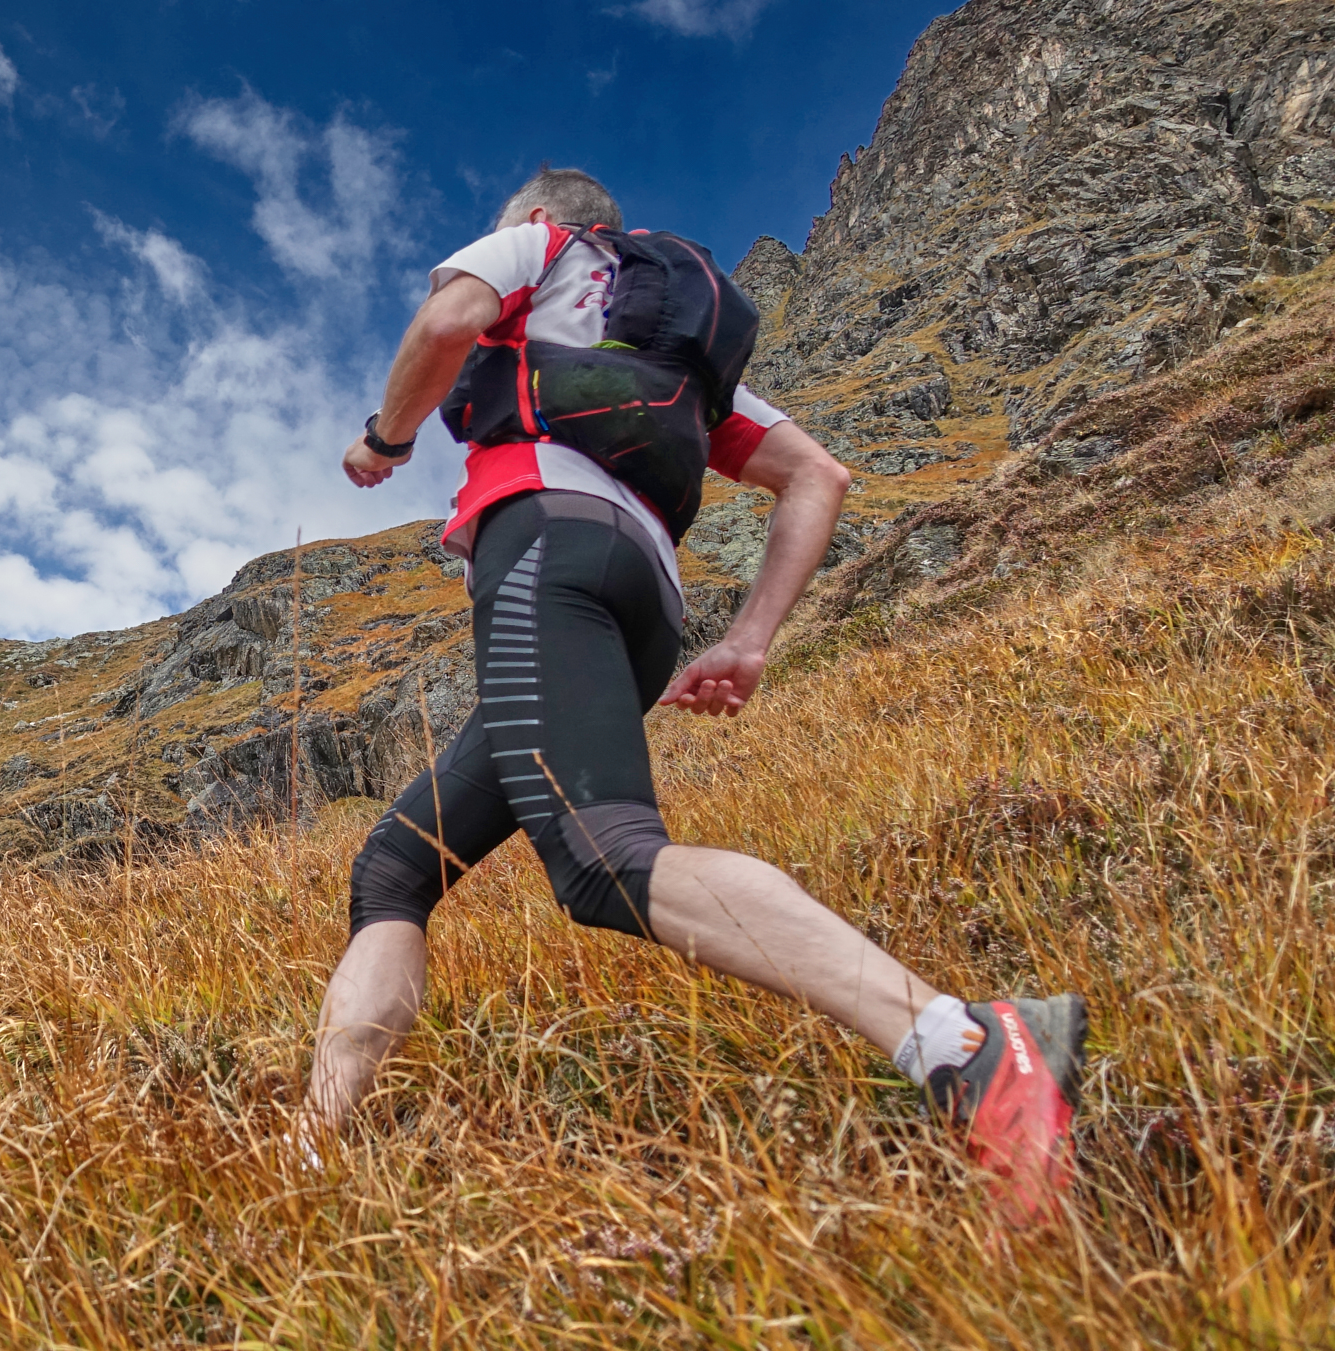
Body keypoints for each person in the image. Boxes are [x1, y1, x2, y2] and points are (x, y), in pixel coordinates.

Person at [308, 167, 1086, 1225]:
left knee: (603, 860)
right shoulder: (683, 359)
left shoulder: (539, 249)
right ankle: (313, 1153)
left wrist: (384, 438)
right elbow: (820, 474)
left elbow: (448, 318)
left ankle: (967, 1045)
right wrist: (751, 639)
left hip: (548, 547)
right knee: (397, 865)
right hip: (641, 608)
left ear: (544, 221)